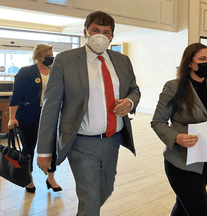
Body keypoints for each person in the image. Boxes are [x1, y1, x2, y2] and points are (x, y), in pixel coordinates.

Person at [36, 11, 140, 216]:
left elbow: (134, 90)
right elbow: (50, 107)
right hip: (81, 143)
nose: (100, 35)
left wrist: (129, 101)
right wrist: (44, 150)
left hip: (113, 140)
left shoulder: (122, 61)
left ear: (112, 36)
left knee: (104, 191)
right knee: (90, 199)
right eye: (95, 30)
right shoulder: (65, 60)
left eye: (106, 32)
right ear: (85, 32)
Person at [151, 43, 207, 215]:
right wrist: (177, 137)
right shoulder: (174, 87)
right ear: (190, 63)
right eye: (202, 59)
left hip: (206, 161)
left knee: (182, 208)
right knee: (199, 211)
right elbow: (157, 122)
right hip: (180, 163)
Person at [8, 43, 62, 193]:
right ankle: (29, 179)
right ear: (39, 56)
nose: (51, 58)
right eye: (48, 56)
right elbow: (16, 96)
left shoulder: (55, 71)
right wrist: (12, 117)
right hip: (28, 115)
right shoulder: (26, 72)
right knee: (28, 148)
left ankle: (51, 178)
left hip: (50, 115)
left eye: (52, 55)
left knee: (52, 147)